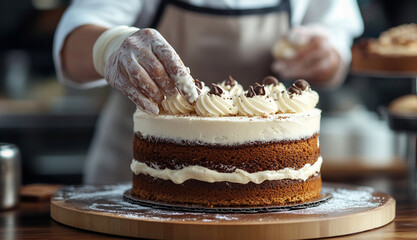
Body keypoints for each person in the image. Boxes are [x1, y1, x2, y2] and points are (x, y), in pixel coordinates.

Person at [53, 0, 363, 184]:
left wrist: (325, 55)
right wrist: (109, 46)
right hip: (132, 178)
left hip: (269, 185)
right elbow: (71, 46)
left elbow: (337, 41)